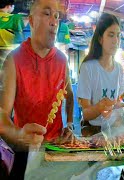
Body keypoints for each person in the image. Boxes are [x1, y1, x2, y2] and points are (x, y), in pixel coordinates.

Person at [0, 0, 74, 178]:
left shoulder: (62, 60)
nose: (54, 21)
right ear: (32, 21)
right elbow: (3, 113)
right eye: (47, 14)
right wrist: (18, 135)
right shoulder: (14, 59)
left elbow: (69, 94)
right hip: (25, 150)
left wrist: (70, 123)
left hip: (55, 146)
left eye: (57, 16)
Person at [77, 13, 124, 137]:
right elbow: (86, 114)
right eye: (110, 35)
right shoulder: (88, 68)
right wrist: (100, 107)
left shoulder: (119, 69)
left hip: (114, 128)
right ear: (100, 39)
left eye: (118, 35)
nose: (116, 40)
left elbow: (117, 102)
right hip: (93, 131)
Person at [0, 0, 24, 83]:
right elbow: (20, 38)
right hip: (8, 52)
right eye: (13, 6)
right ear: (8, 6)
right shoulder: (15, 18)